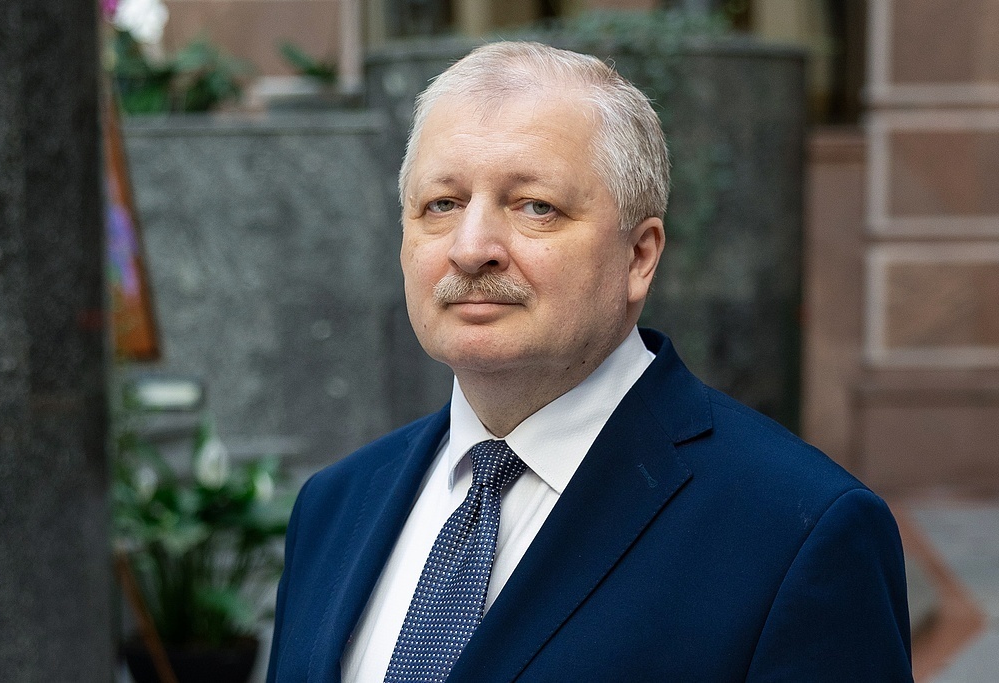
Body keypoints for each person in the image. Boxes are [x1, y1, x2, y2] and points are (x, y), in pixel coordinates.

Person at [266, 41, 913, 682]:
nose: (471, 248)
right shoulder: (333, 506)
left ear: (639, 256)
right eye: (442, 204)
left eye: (535, 206)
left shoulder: (797, 531)